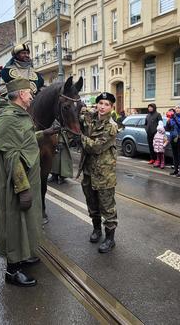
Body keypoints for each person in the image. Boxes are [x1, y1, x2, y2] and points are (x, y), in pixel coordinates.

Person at [0, 78, 44, 287]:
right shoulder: (9, 118)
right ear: (21, 94)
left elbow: (25, 141)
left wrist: (44, 134)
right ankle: (13, 270)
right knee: (14, 222)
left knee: (26, 220)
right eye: (29, 92)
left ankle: (24, 255)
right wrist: (22, 189)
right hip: (18, 183)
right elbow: (12, 155)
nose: (32, 96)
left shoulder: (19, 115)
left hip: (27, 180)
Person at [79, 92, 119, 253]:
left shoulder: (111, 126)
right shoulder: (91, 117)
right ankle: (97, 230)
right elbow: (79, 111)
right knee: (92, 204)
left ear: (112, 107)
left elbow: (95, 147)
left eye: (107, 104)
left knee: (107, 208)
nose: (102, 107)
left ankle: (110, 239)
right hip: (88, 170)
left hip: (104, 173)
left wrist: (79, 137)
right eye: (100, 103)